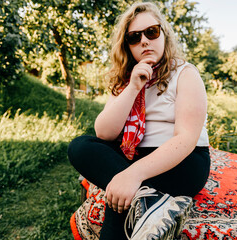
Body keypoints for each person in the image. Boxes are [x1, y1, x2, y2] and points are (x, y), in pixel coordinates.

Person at [68, 2, 210, 239]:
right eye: (134, 37)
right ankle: (147, 204)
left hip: (181, 162)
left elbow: (186, 139)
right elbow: (104, 133)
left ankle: (136, 195)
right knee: (80, 146)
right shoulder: (126, 81)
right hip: (133, 155)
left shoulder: (185, 74)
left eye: (151, 32)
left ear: (163, 34)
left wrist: (131, 175)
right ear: (128, 47)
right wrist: (133, 86)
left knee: (118, 197)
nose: (144, 41)